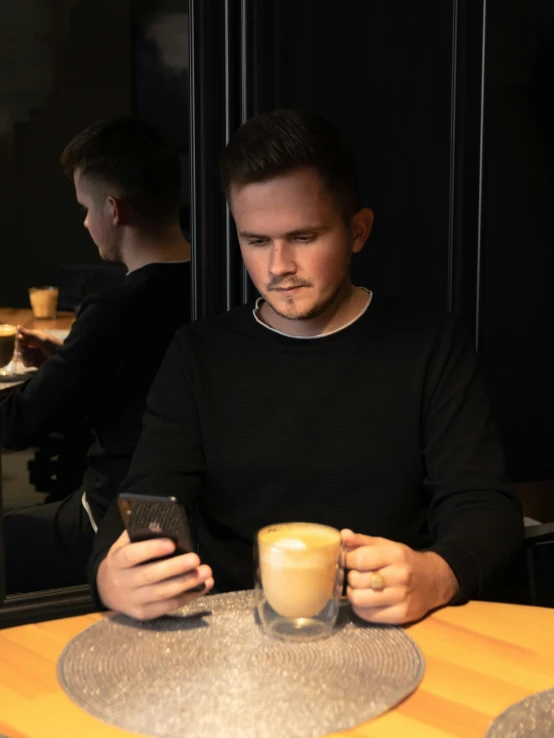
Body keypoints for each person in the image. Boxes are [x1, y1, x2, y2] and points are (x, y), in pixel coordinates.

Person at [90, 109, 523, 623]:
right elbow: (149, 498)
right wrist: (113, 576)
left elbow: (484, 506)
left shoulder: (431, 346)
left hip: (392, 629)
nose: (278, 268)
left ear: (357, 231)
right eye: (256, 241)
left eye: (302, 238)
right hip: (235, 636)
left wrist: (438, 572)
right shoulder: (196, 355)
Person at [1, 117, 191, 593]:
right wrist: (66, 361)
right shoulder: (216, 284)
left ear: (113, 209)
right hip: (188, 509)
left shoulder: (113, 311)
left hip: (118, 518)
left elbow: (18, 422)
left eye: (86, 208)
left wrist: (61, 369)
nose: (85, 222)